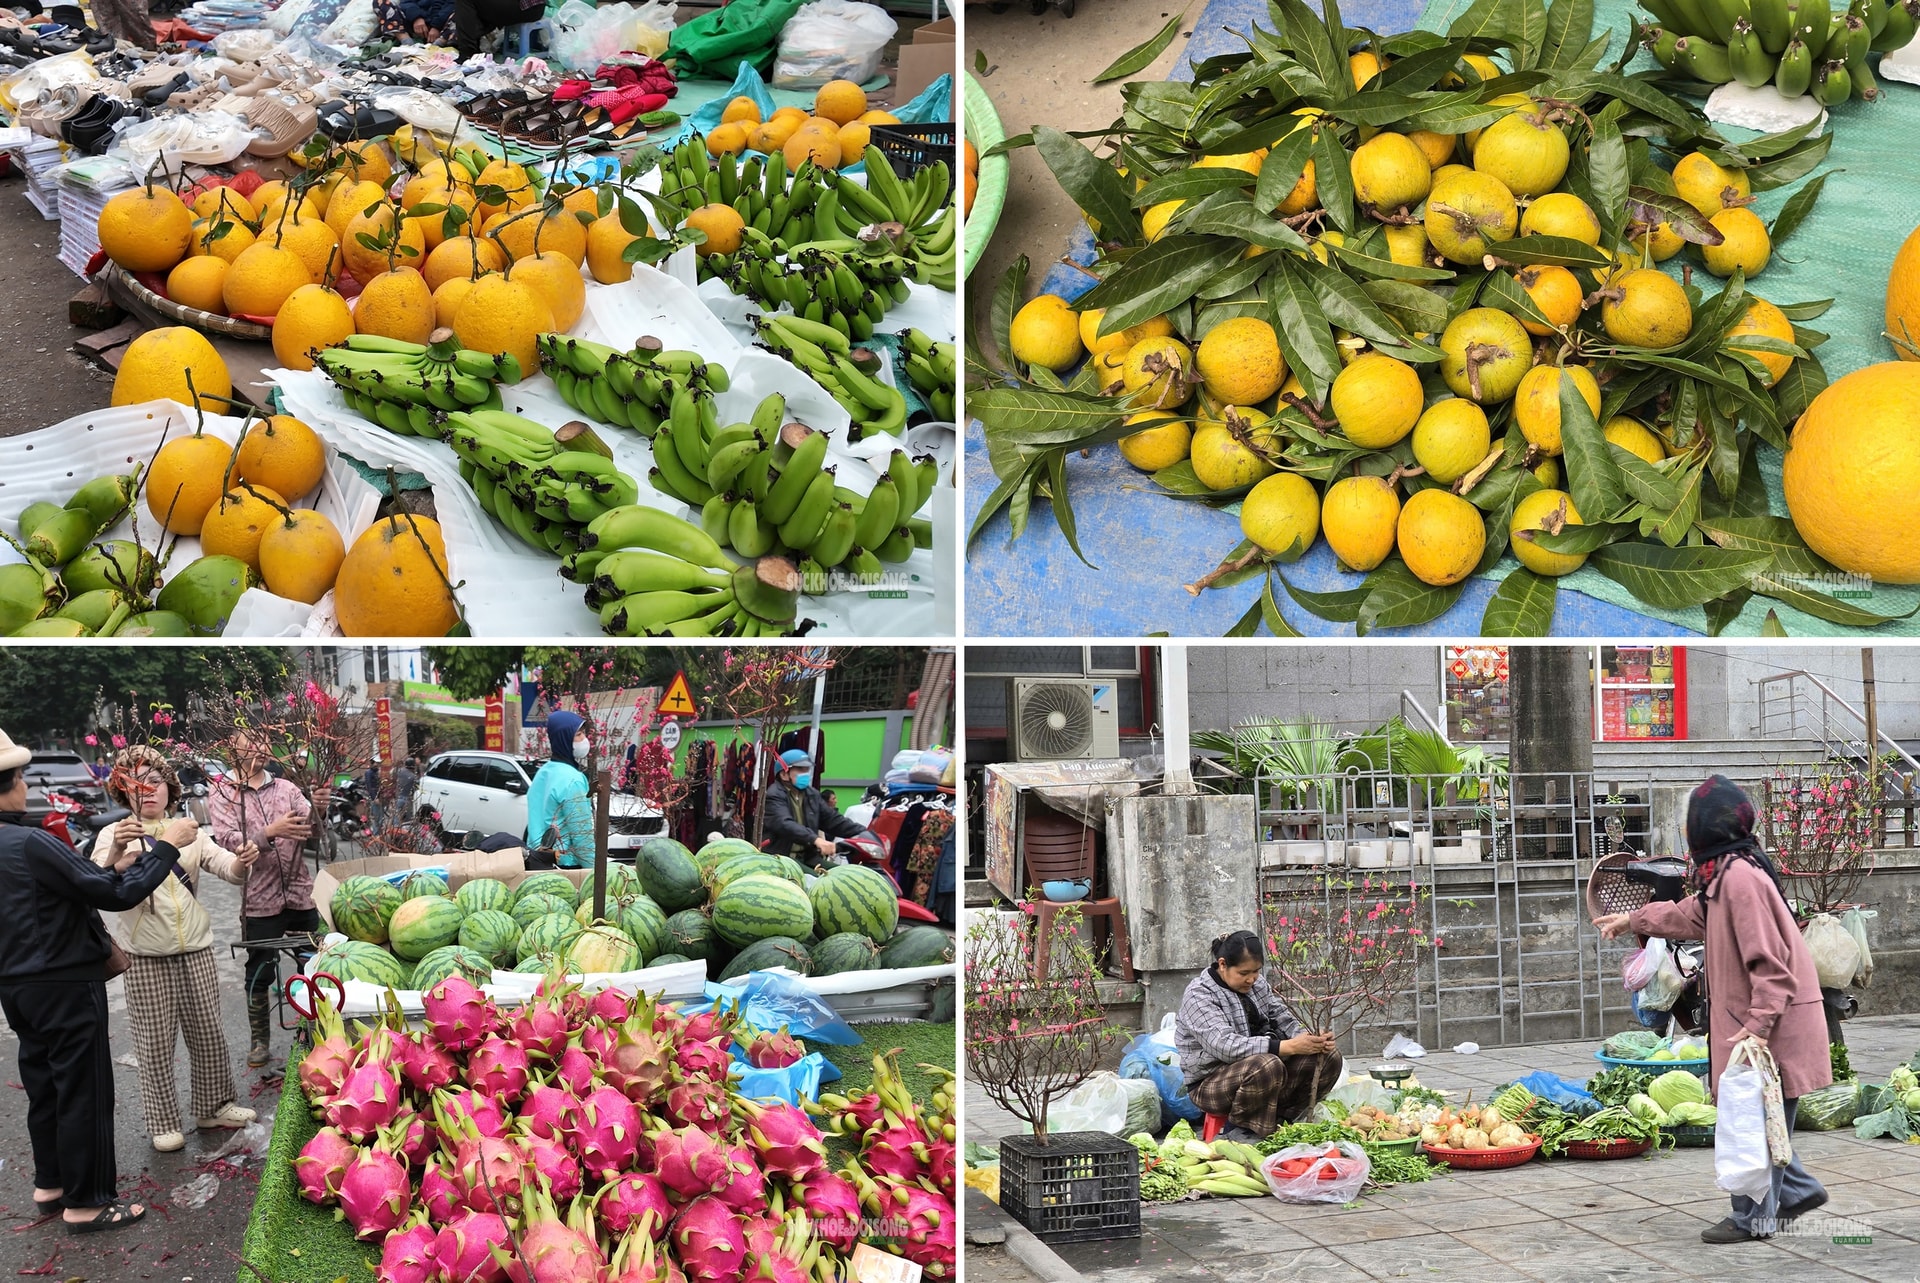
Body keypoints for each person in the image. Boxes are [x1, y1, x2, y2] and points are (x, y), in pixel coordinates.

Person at [1595, 775, 1831, 1244]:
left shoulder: (1739, 878)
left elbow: (1772, 965)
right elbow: (1691, 915)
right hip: (1756, 1022)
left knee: (1755, 1121)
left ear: (1706, 828)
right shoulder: (1726, 873)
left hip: (1769, 1023)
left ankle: (1755, 1217)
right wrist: (1634, 920)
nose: (1685, 833)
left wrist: (1759, 1027)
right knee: (1759, 1120)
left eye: (1688, 824)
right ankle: (1796, 1192)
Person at [0, 726, 189, 1233]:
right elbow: (116, 894)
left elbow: (74, 888)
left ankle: (53, 1185)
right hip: (64, 983)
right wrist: (165, 848)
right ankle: (87, 1202)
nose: (26, 787)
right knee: (84, 1089)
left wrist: (115, 863)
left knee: (45, 1086)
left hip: (16, 987)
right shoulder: (31, 841)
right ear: (12, 783)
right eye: (21, 778)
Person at [91, 746, 260, 1152]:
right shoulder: (114, 834)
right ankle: (163, 1121)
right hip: (144, 957)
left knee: (208, 1033)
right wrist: (116, 857)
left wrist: (243, 861)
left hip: (197, 950)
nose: (146, 791)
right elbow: (96, 885)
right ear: (122, 792)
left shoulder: (189, 831)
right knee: (153, 1043)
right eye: (135, 784)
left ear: (169, 787)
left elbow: (227, 869)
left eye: (154, 782)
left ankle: (214, 1105)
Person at [207, 727, 329, 1068]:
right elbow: (227, 839)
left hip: (301, 894)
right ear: (234, 749)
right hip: (259, 899)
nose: (260, 750)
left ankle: (315, 1030)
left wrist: (319, 809)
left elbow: (312, 831)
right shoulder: (222, 793)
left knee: (313, 964)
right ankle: (259, 1041)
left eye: (262, 744)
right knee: (259, 970)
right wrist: (269, 834)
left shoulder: (287, 788)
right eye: (251, 745)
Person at [1175, 931, 1342, 1142]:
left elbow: (1281, 1016)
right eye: (1244, 972)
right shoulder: (1199, 995)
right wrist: (1288, 1047)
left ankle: (1284, 1122)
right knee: (1266, 1064)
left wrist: (1309, 1039)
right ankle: (1239, 1132)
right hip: (1212, 1083)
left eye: (1256, 971)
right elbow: (1226, 1047)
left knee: (1328, 1057)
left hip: (1264, 1074)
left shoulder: (1258, 984)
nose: (1252, 978)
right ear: (1223, 964)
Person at [761, 748, 864, 871]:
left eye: (807, 769)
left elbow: (832, 820)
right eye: (800, 769)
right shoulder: (774, 795)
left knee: (847, 874)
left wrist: (862, 832)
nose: (806, 773)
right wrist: (815, 839)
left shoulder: (811, 794)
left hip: (808, 857)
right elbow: (784, 823)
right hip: (782, 858)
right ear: (784, 774)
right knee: (821, 883)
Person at [526, 710, 594, 869]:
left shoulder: (543, 773)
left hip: (537, 860)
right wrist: (594, 871)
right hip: (564, 864)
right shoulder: (573, 780)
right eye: (578, 734)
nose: (584, 740)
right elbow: (581, 835)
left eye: (584, 733)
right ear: (564, 738)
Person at [393, 756, 419, 823]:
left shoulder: (399, 771)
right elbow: (417, 786)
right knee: (408, 820)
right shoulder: (413, 776)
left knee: (396, 816)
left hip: (398, 797)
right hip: (407, 799)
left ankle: (396, 831)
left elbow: (393, 776)